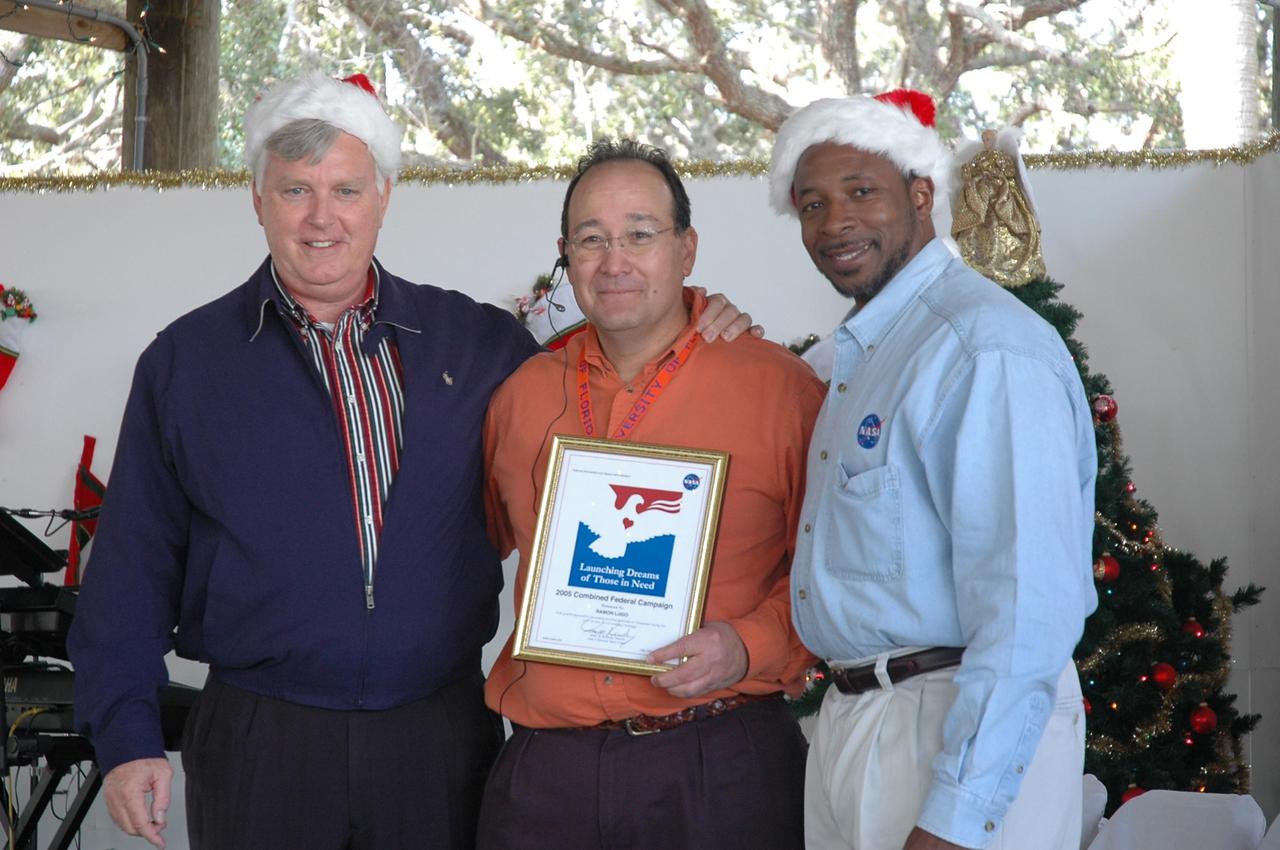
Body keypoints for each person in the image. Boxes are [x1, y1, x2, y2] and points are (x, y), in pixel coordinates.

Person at [67, 74, 752, 850]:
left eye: (347, 189)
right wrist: (125, 738)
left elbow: (616, 359)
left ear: (384, 197)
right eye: (296, 190)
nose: (322, 217)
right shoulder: (186, 363)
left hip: (437, 739)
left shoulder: (478, 343)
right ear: (257, 200)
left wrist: (701, 319)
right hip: (262, 737)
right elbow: (130, 570)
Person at [768, 91, 1097, 850]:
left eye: (860, 192)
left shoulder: (984, 347)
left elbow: (1025, 613)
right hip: (855, 721)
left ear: (921, 193)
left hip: (947, 726)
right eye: (812, 205)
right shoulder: (856, 360)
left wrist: (958, 813)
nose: (834, 223)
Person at [477, 139, 826, 849]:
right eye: (591, 240)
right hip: (547, 775)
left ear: (686, 248)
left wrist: (747, 645)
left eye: (640, 234)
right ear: (565, 256)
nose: (615, 262)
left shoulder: (780, 389)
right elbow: (458, 553)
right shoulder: (521, 394)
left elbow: (833, 572)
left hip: (715, 764)